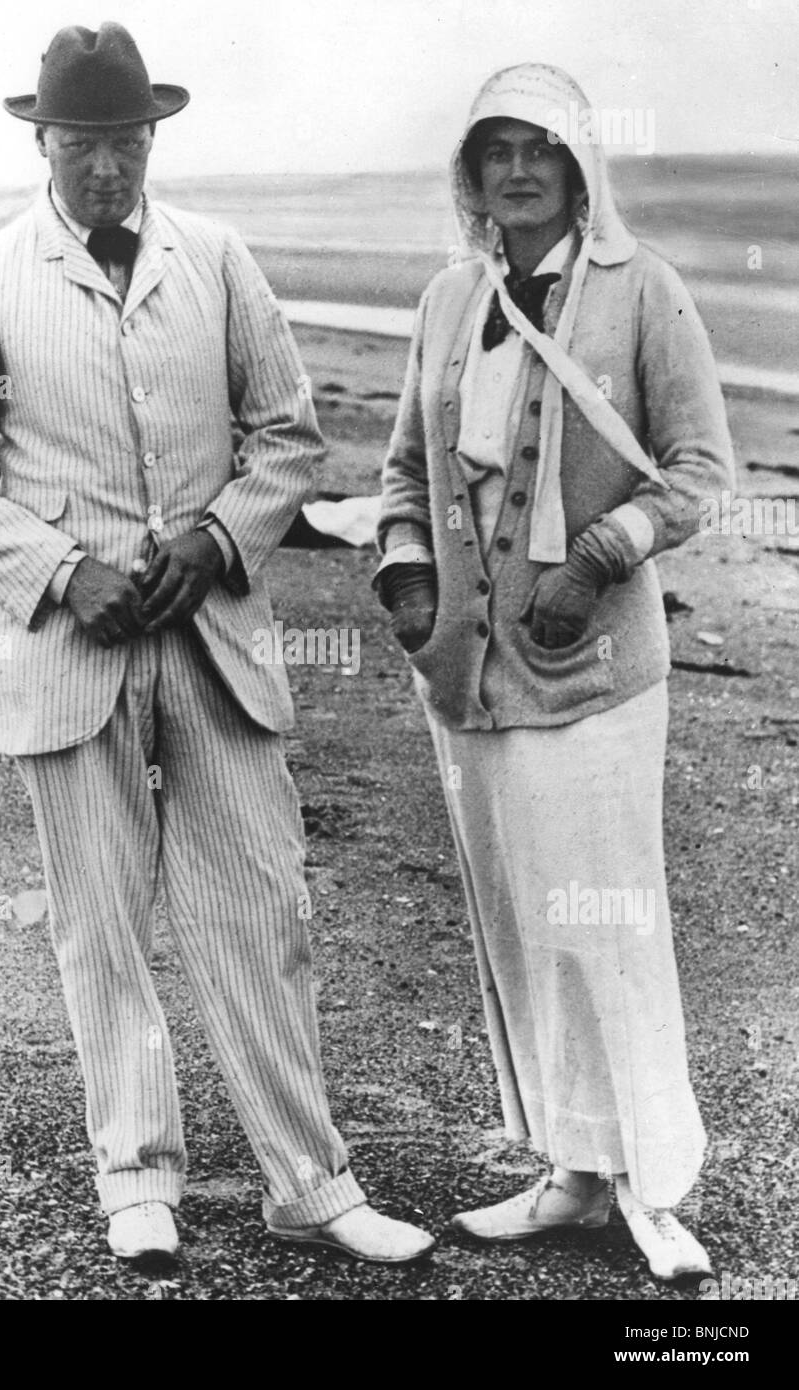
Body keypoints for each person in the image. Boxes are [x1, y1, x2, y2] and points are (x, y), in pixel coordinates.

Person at [0, 21, 433, 1268]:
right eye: (82, 142)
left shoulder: (220, 259)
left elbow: (288, 441)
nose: (106, 167)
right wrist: (60, 571)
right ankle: (136, 1179)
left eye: (126, 139)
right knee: (100, 925)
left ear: (153, 137)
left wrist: (215, 541)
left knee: (259, 907)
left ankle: (310, 1180)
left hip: (214, 649)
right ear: (45, 140)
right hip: (68, 659)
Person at [375, 63, 733, 1282]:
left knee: (607, 924)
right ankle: (570, 1169)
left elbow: (695, 468)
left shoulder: (644, 293)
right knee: (520, 928)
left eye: (539, 148)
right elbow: (400, 476)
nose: (515, 170)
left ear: (579, 165)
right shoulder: (441, 301)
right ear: (467, 177)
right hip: (467, 683)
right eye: (493, 152)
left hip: (590, 676)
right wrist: (407, 583)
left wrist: (594, 558)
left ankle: (651, 1187)